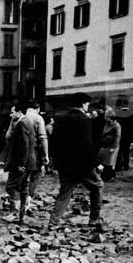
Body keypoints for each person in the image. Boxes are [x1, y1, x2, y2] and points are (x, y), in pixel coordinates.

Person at [48, 93, 104, 229]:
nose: (88, 107)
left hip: (65, 165)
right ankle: (94, 219)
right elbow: (87, 143)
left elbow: (54, 142)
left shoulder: (61, 119)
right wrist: (97, 163)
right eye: (87, 104)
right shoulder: (84, 119)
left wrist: (56, 161)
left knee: (65, 192)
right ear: (83, 104)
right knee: (97, 187)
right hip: (83, 165)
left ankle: (53, 222)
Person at [4, 102, 44, 222]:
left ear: (19, 112)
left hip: (23, 162)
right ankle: (22, 214)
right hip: (30, 161)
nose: (11, 115)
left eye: (12, 112)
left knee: (11, 186)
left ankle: (15, 213)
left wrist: (20, 163)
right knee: (23, 186)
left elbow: (24, 145)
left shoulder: (22, 123)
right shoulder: (27, 122)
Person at [99, 107, 122, 182]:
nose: (105, 118)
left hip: (111, 146)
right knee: (103, 160)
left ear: (110, 117)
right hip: (105, 144)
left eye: (106, 117)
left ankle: (108, 177)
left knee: (109, 162)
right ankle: (106, 175)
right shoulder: (107, 124)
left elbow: (117, 137)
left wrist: (113, 147)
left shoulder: (117, 126)